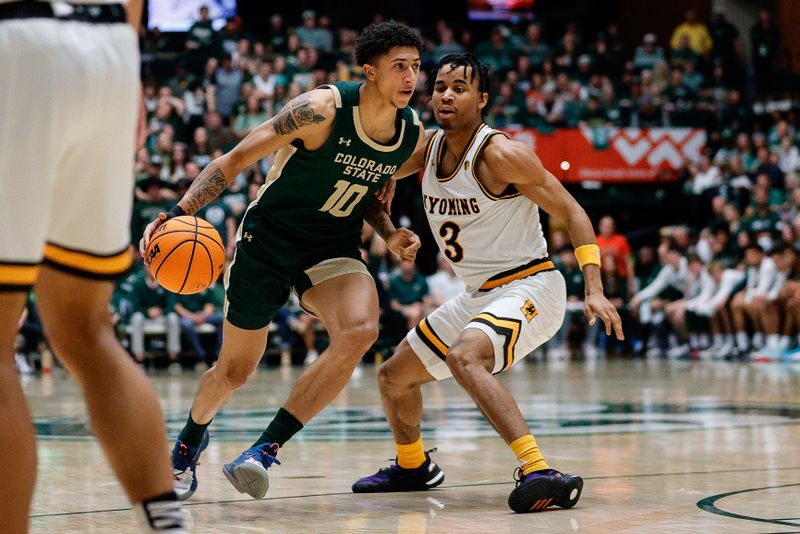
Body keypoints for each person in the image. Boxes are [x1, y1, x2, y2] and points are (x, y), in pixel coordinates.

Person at [140, 21, 425, 501]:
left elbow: (365, 190)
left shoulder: (408, 132)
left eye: (416, 67)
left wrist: (390, 232)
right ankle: (188, 443)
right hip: (267, 240)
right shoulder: (318, 110)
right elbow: (232, 161)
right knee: (234, 372)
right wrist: (175, 214)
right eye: (399, 66)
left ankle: (263, 450)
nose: (410, 77)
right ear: (369, 72)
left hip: (330, 245)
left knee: (360, 329)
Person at [351, 54, 623, 513]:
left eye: (459, 87)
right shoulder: (426, 150)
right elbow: (370, 176)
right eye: (439, 87)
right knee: (394, 377)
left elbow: (573, 211)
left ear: (483, 99)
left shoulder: (502, 155)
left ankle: (539, 470)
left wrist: (593, 287)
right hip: (477, 294)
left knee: (465, 356)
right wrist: (385, 201)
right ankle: (413, 466)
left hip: (531, 287)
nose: (446, 95)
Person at [0, 0, 185, 531]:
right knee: (85, 329)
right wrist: (130, 77)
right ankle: (164, 523)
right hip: (107, 47)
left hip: (16, 39)